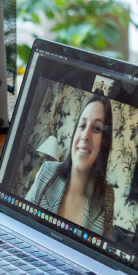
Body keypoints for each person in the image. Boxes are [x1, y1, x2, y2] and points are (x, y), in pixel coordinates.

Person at [26, 94, 115, 237]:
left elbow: (101, 254)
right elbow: (21, 223)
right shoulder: (46, 172)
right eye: (82, 125)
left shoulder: (107, 197)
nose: (85, 135)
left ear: (104, 143)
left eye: (97, 128)